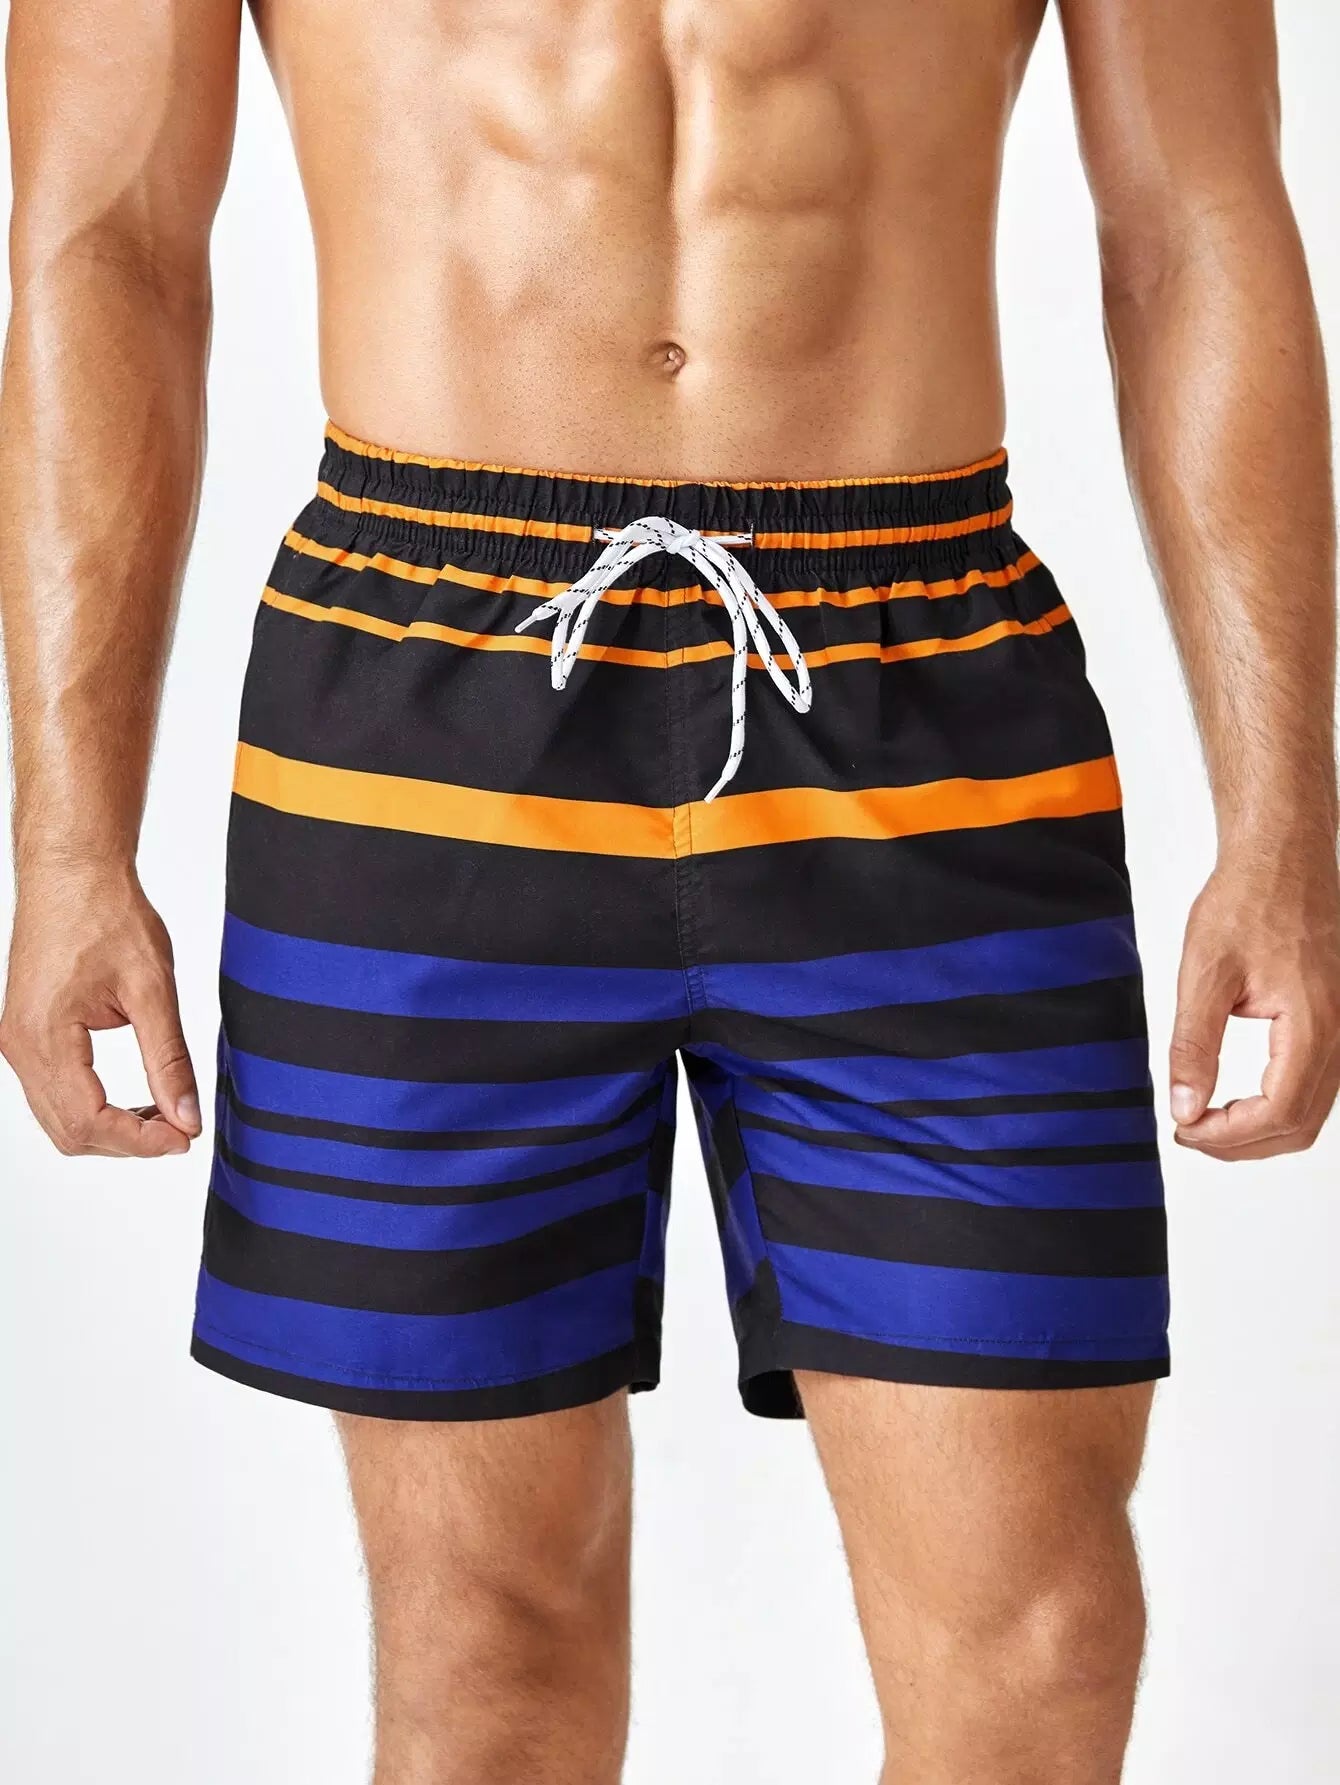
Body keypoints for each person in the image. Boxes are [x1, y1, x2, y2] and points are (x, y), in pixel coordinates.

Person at [2, 1, 1337, 1780]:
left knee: (1043, 1636)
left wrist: (1285, 823)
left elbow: (1196, 228)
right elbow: (108, 242)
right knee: (485, 1650)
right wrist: (67, 840)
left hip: (926, 687)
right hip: (419, 697)